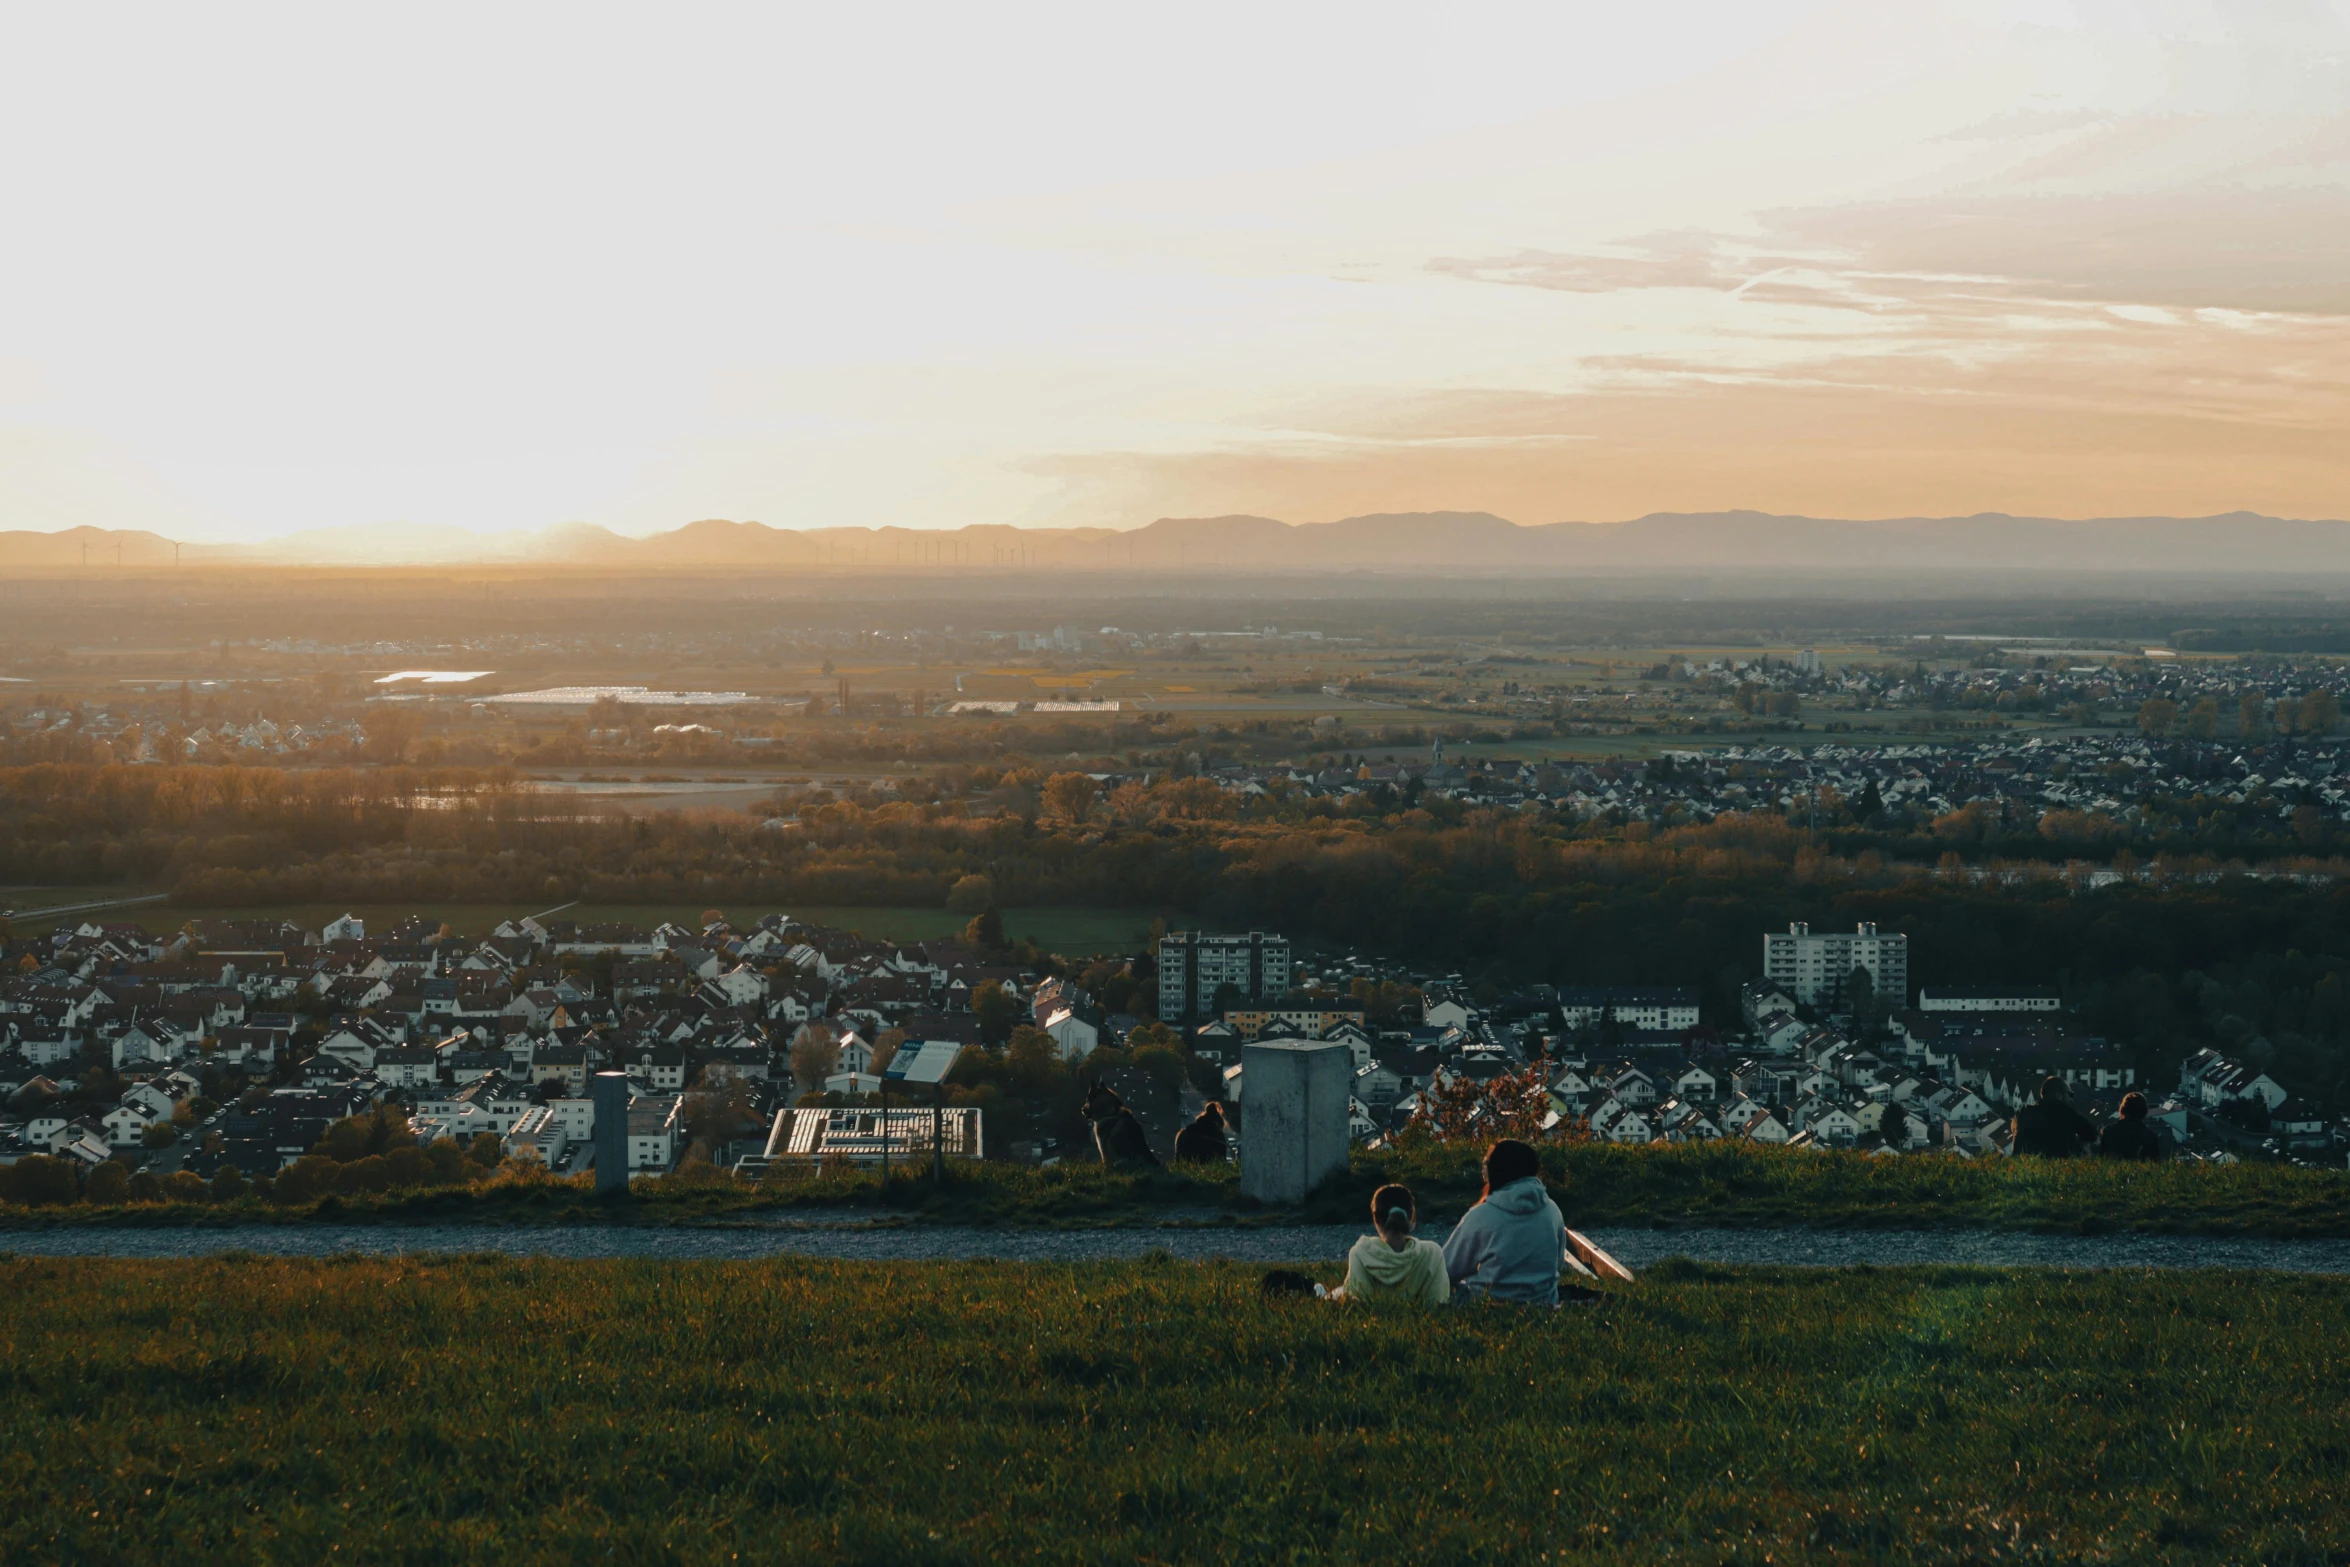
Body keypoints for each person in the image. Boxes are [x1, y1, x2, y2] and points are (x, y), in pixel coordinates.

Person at [1441, 1139, 1566, 1306]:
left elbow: (1446, 1269)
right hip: (1543, 1303)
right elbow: (1557, 1263)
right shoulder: (1552, 1211)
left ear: (1494, 1171)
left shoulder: (1481, 1216)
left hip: (1487, 1305)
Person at [1334, 1184, 1449, 1306]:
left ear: (1376, 1219)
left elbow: (1357, 1301)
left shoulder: (1360, 1252)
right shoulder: (1432, 1253)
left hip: (1373, 1319)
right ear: (1412, 1218)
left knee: (1336, 1293)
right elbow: (1439, 1300)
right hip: (1419, 1318)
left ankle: (1317, 1291)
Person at [2011, 1075, 2098, 1158]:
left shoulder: (2021, 1114)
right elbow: (2093, 1135)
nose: (2071, 1099)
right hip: (2058, 1167)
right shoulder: (2066, 1112)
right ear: (2058, 1095)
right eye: (2070, 1094)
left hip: (2025, 1166)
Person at [2097, 1090, 2167, 1161]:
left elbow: (2102, 1159)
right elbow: (2155, 1163)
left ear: (2123, 1109)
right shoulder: (2151, 1136)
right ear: (2144, 1111)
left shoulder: (2108, 1132)